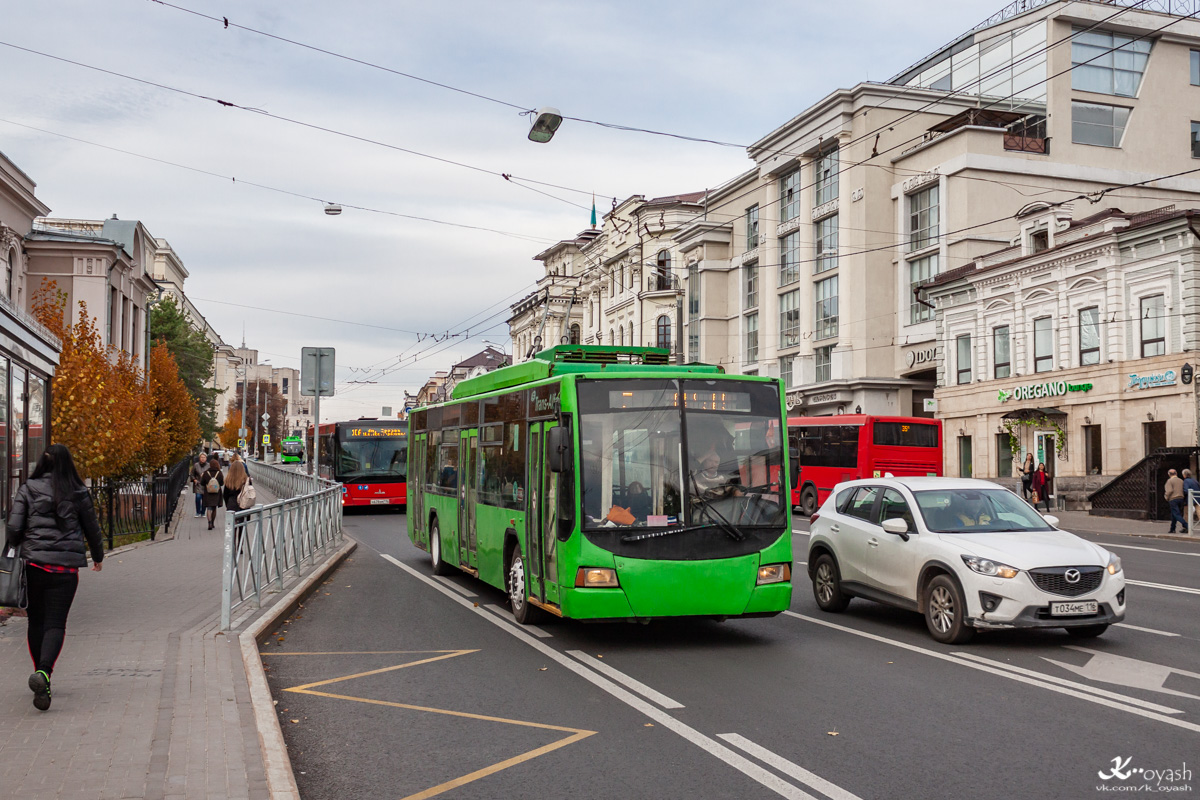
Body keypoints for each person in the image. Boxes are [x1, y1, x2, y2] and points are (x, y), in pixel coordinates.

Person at [4, 444, 103, 711]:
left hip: (33, 566)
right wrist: (98, 556)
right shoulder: (79, 491)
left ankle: (41, 675)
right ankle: (44, 674)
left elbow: (14, 528)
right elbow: (92, 528)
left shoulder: (28, 488)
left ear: (42, 463)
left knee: (36, 621)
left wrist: (20, 542)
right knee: (56, 623)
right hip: (65, 570)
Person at [201, 457, 224, 530]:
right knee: (214, 508)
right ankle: (213, 523)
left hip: (208, 492)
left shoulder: (206, 473)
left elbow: (202, 483)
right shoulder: (219, 473)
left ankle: (209, 522)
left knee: (209, 508)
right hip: (216, 493)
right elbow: (222, 483)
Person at [1164, 468, 1186, 534]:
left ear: (1169, 474)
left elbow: (1169, 491)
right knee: (1174, 514)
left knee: (1176, 514)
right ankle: (1172, 528)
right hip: (1181, 498)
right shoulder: (1181, 480)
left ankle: (1186, 525)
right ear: (1176, 473)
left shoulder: (1169, 481)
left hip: (1173, 499)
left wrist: (1166, 497)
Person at [191, 451, 209, 518]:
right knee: (198, 497)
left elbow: (211, 474)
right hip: (198, 484)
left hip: (206, 485)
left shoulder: (208, 465)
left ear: (206, 458)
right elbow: (192, 474)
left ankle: (203, 512)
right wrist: (194, 479)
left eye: (204, 457)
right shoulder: (196, 465)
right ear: (199, 458)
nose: (203, 458)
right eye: (201, 457)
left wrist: (206, 475)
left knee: (204, 499)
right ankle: (198, 512)